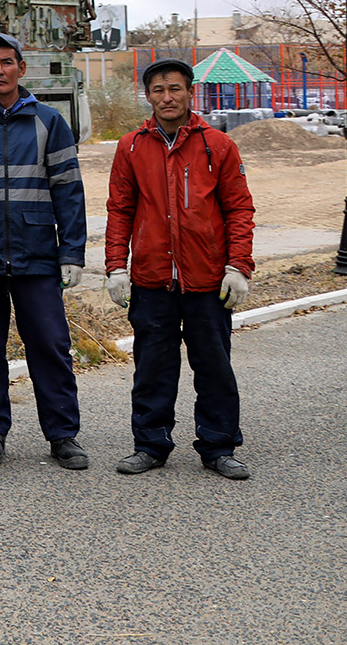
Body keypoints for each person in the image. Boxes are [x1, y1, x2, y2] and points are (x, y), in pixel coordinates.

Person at [105, 58, 256, 480]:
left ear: (190, 92)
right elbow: (120, 209)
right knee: (152, 369)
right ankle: (150, 445)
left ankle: (219, 446)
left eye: (175, 88)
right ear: (148, 96)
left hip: (207, 279)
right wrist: (116, 266)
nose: (167, 97)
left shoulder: (218, 145)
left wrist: (238, 266)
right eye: (158, 90)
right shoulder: (131, 147)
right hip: (152, 279)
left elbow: (239, 209)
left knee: (214, 367)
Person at [0, 32, 89, 471]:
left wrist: (72, 252)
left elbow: (69, 190)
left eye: (7, 62)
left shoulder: (49, 122)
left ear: (21, 69)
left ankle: (62, 434)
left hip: (38, 256)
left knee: (50, 345)